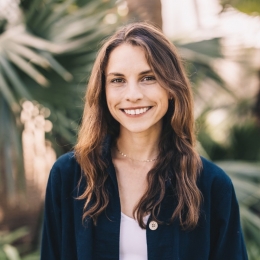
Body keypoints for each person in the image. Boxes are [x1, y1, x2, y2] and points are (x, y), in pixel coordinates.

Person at [41, 22, 248, 260]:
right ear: (103, 91)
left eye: (148, 77)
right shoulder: (69, 176)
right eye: (118, 80)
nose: (133, 95)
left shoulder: (211, 185)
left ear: (171, 87)